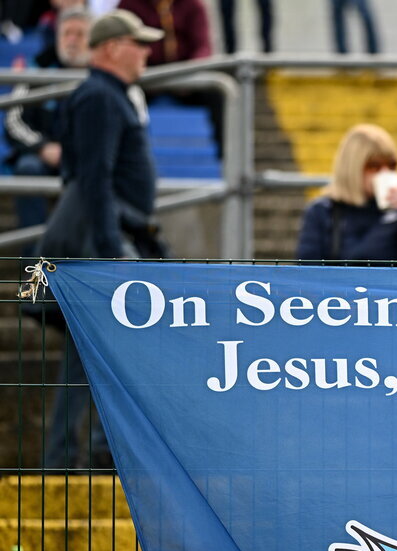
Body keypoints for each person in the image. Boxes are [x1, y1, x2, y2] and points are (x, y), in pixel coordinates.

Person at [38, 9, 166, 469]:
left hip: (105, 241)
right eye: (140, 43)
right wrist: (115, 250)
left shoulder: (106, 94)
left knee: (95, 354)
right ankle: (84, 456)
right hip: (101, 249)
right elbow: (93, 178)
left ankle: (86, 454)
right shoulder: (99, 96)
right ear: (112, 48)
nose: (148, 52)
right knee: (101, 352)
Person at [296, 124, 397, 263]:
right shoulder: (322, 212)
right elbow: (307, 274)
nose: (385, 172)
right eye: (374, 166)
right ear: (352, 168)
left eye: (392, 165)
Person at [4, 7, 92, 237]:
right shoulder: (38, 69)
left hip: (89, 157)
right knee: (27, 168)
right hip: (44, 156)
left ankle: (92, 263)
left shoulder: (102, 75)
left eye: (80, 34)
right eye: (66, 34)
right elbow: (14, 121)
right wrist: (43, 147)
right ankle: (35, 264)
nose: (72, 41)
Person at [116, 0, 223, 156]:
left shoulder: (193, 5)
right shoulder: (129, 5)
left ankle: (229, 158)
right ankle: (126, 157)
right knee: (116, 96)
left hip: (186, 76)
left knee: (219, 91)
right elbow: (122, 45)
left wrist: (188, 74)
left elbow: (203, 47)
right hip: (143, 76)